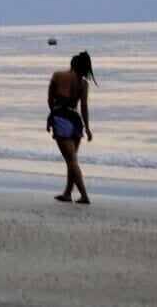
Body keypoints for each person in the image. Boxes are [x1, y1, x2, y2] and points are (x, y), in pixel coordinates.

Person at [47, 50, 95, 203]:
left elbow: (50, 100)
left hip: (62, 118)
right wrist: (87, 128)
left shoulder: (57, 76)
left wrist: (54, 117)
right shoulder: (83, 83)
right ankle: (68, 193)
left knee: (71, 161)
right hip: (76, 120)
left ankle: (84, 195)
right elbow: (84, 106)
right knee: (71, 159)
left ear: (72, 63)